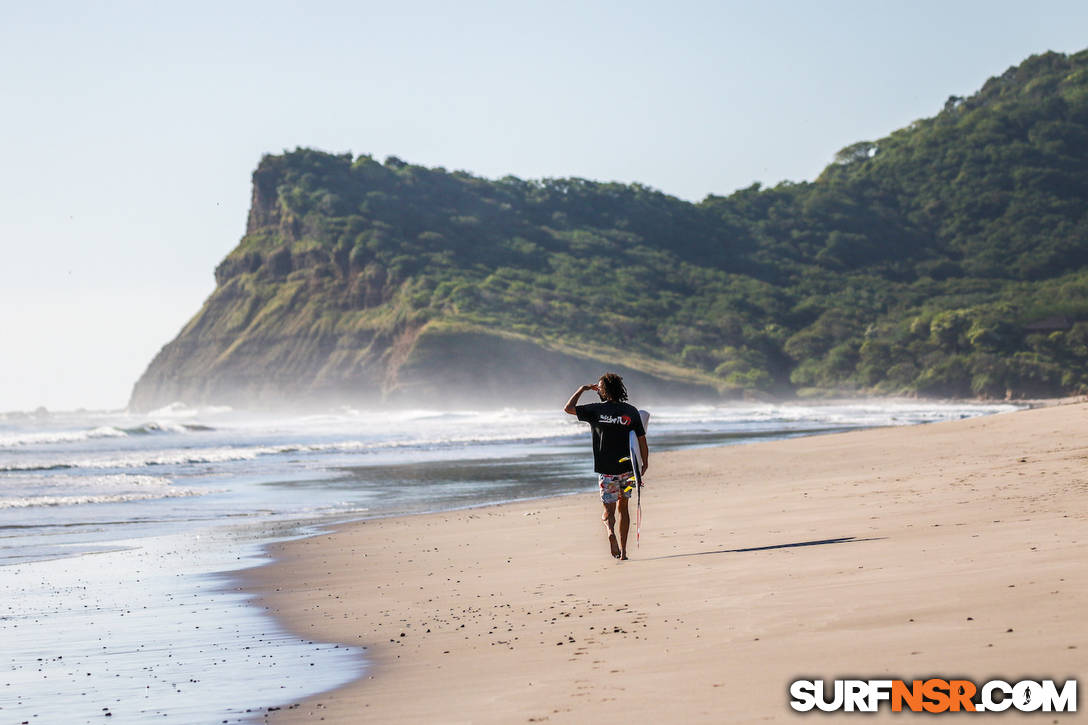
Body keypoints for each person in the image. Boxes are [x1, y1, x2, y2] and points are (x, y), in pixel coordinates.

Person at [564, 373, 648, 560]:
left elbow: (568, 408)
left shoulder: (595, 410)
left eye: (599, 387)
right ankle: (624, 552)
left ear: (603, 390)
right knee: (623, 507)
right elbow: (641, 440)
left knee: (608, 511)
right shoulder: (631, 411)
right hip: (627, 469)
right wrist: (644, 463)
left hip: (606, 470)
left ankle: (610, 532)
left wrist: (583, 388)